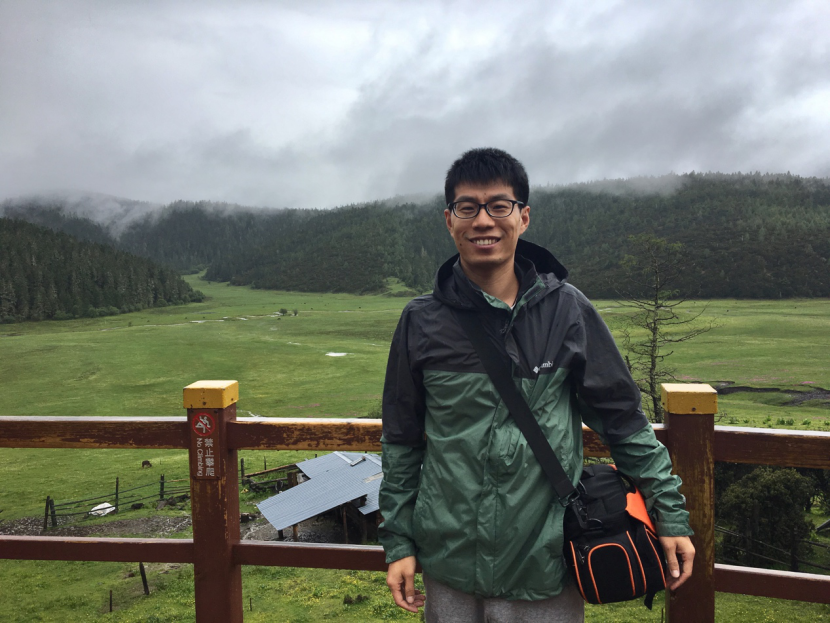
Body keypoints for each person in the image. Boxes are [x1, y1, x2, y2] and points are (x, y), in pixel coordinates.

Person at [378, 148, 695, 622]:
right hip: (449, 563)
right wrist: (399, 542)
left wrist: (669, 514)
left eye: (498, 206)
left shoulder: (567, 310)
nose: (483, 221)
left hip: (545, 562)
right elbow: (402, 441)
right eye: (467, 207)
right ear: (449, 220)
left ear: (523, 217)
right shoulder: (421, 321)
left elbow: (623, 422)